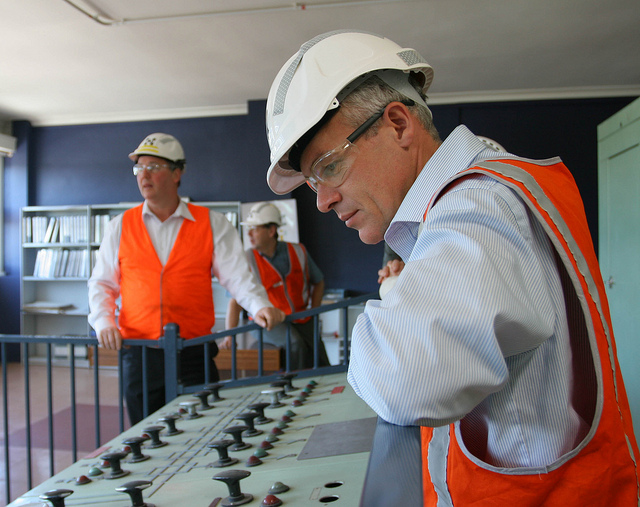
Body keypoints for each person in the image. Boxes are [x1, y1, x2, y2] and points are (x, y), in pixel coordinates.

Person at [263, 31, 640, 504]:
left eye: (330, 168)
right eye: (312, 181)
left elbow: (405, 381)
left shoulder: (480, 203)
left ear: (399, 124)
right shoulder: (481, 188)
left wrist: (389, 306)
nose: (321, 201)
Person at [88, 133, 283, 425]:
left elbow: (238, 276)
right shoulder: (119, 226)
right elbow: (102, 283)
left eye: (153, 167)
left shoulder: (212, 223)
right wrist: (103, 321)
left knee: (202, 430)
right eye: (139, 168)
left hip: (194, 351)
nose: (144, 174)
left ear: (177, 173)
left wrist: (259, 306)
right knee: (146, 434)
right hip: (141, 353)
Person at [221, 202, 329, 370]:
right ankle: (295, 387)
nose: (249, 234)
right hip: (267, 321)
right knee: (294, 343)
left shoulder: (298, 251)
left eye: (255, 229)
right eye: (249, 228)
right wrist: (229, 335)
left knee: (319, 354)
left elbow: (319, 281)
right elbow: (234, 302)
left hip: (301, 317)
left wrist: (313, 312)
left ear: (271, 231)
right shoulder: (246, 260)